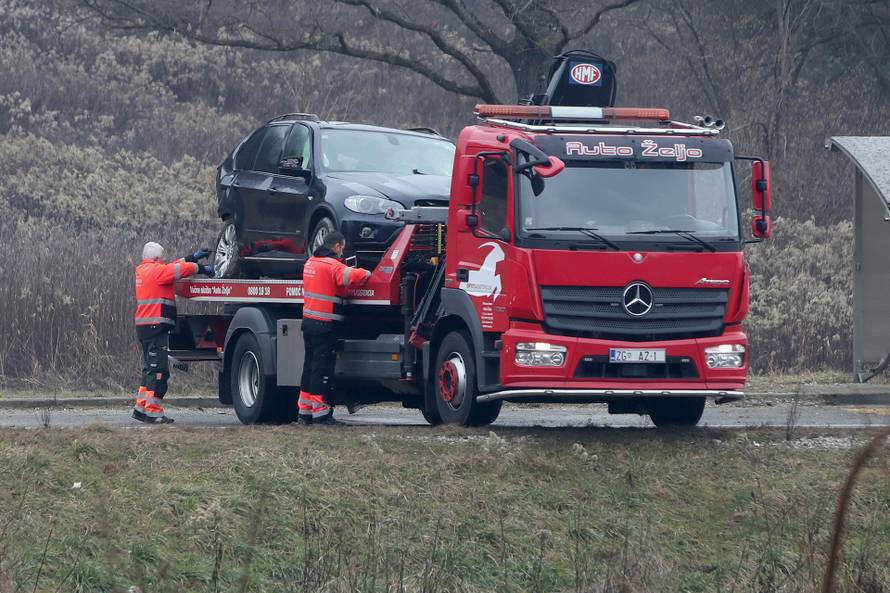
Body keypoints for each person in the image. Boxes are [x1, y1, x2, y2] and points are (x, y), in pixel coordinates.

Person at [132, 241, 214, 424]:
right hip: (155, 327)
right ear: (155, 259)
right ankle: (153, 412)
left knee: (149, 369)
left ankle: (141, 408)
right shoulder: (157, 272)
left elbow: (171, 267)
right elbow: (177, 270)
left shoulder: (146, 270)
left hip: (147, 327)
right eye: (161, 258)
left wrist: (191, 257)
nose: (163, 261)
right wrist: (200, 267)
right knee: (159, 371)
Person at [298, 232, 371, 425]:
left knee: (309, 367)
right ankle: (321, 414)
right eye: (342, 248)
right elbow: (353, 276)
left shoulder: (310, 263)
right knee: (321, 369)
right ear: (338, 246)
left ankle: (304, 412)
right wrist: (368, 272)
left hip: (309, 322)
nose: (343, 251)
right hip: (325, 326)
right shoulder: (333, 266)